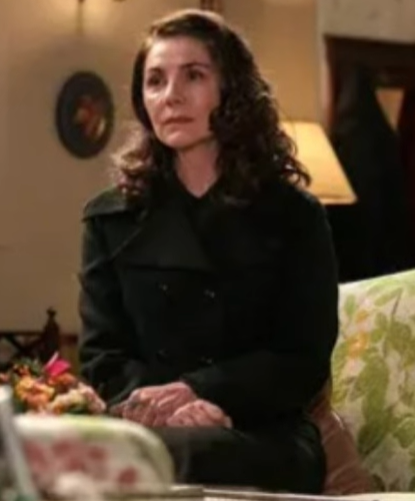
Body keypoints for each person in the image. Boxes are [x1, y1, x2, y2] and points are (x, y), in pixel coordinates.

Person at [78, 8, 338, 494]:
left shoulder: (294, 215)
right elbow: (101, 357)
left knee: (188, 453)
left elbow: (302, 358)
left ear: (231, 90)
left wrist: (208, 394)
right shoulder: (109, 218)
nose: (171, 96)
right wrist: (166, 407)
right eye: (155, 81)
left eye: (193, 76)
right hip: (144, 425)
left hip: (263, 434)